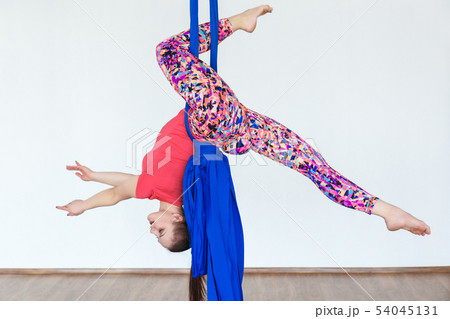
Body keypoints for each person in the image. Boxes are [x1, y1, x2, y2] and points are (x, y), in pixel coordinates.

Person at [57, 5, 430, 254]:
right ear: (176, 218)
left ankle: (385, 211)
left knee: (314, 166)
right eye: (159, 232)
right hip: (209, 117)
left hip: (240, 130)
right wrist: (88, 204)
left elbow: (121, 186)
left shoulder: (151, 187)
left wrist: (89, 183)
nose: (151, 228)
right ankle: (237, 22)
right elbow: (120, 193)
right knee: (167, 52)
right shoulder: (168, 192)